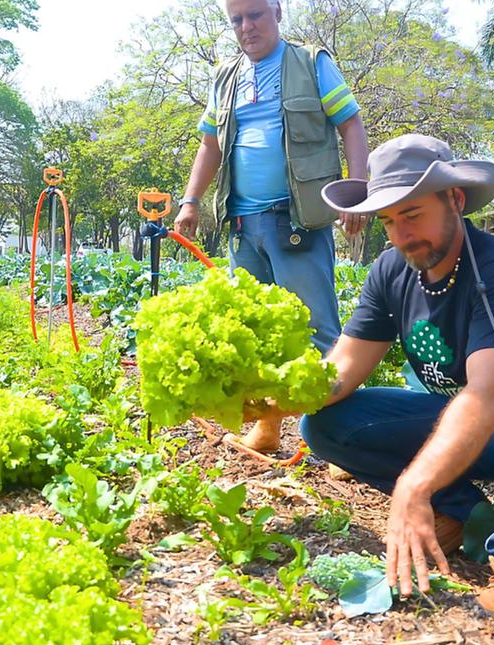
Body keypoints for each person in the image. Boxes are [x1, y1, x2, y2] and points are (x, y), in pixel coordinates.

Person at [298, 134, 494, 629]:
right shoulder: (392, 269)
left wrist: (412, 486)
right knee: (325, 425)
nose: (400, 234)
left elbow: (489, 393)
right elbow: (343, 368)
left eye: (412, 214)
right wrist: (277, 398)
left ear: (454, 200)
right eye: (388, 221)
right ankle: (461, 512)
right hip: (474, 426)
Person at [174, 0, 370, 455]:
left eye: (255, 15)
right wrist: (190, 200)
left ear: (277, 12)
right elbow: (209, 145)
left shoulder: (311, 62)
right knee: (257, 332)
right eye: (237, 20)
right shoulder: (225, 77)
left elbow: (351, 123)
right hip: (243, 224)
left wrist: (357, 188)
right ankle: (268, 429)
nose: (247, 27)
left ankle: (340, 444)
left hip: (296, 220)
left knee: (319, 332)